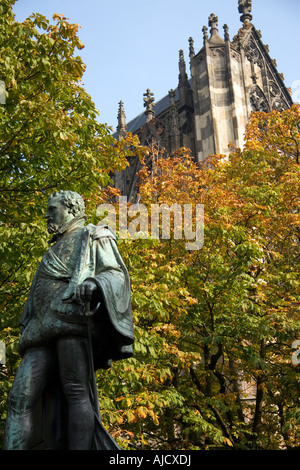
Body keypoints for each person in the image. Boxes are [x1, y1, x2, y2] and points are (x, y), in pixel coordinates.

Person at [4, 190, 134, 450]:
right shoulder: (55, 246)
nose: (47, 214)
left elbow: (115, 274)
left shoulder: (94, 235)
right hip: (40, 329)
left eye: (53, 209)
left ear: (72, 209)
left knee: (75, 391)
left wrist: (94, 283)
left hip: (69, 322)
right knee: (19, 398)